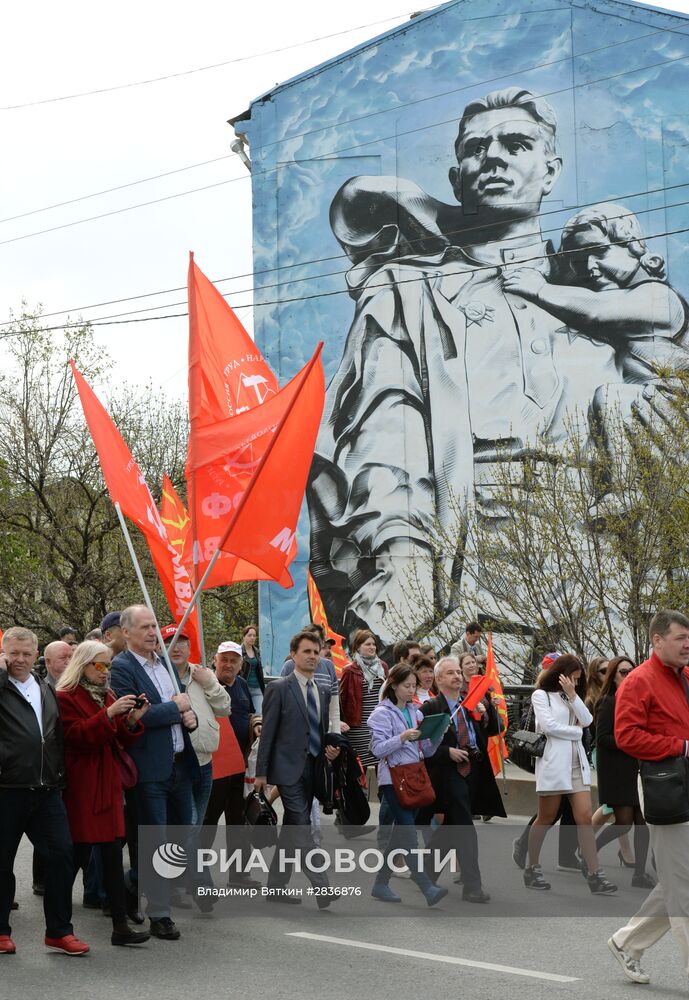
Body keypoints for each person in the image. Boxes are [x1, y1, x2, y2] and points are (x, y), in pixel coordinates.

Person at [308, 86, 640, 645]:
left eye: (516, 144)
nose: (494, 157)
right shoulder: (407, 291)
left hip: (600, 567)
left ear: (551, 170)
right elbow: (384, 440)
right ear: (457, 178)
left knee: (605, 718)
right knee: (484, 720)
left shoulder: (602, 297)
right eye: (476, 148)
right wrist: (404, 560)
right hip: (476, 558)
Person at [503, 203, 688, 383]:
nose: (590, 266)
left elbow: (600, 309)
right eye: (580, 261)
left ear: (633, 246)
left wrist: (540, 289)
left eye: (599, 251)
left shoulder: (660, 296)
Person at [608, 609, 689, 986]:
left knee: (677, 880)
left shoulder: (684, 675)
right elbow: (626, 736)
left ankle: (627, 942)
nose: (687, 644)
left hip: (684, 783)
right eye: (680, 638)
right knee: (682, 884)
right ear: (657, 640)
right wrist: (680, 747)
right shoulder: (639, 681)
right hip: (664, 789)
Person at [110, 605, 199, 941]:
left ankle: (130, 883)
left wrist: (189, 719)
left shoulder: (164, 665)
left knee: (178, 841)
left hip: (179, 766)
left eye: (153, 626)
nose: (152, 633)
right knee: (156, 844)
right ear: (127, 632)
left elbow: (183, 707)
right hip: (148, 770)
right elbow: (136, 717)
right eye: (145, 627)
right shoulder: (121, 668)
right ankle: (160, 915)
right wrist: (176, 709)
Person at [0, 626, 90, 956]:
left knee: (62, 856)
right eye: (13, 653)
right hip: (6, 788)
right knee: (1, 862)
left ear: (36, 656)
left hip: (47, 789)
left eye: (26, 654)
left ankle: (59, 931)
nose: (19, 660)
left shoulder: (44, 687)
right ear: (3, 654)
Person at [56, 641, 150, 947]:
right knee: (75, 856)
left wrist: (132, 719)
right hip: (83, 785)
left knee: (112, 855)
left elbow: (121, 736)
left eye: (108, 665)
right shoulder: (65, 696)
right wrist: (109, 714)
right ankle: (59, 927)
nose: (105, 671)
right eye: (99, 665)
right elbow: (75, 736)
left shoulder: (106, 694)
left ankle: (120, 926)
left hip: (108, 784)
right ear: (82, 665)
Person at [255, 631, 341, 906]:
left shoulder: (323, 690)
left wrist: (332, 746)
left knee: (292, 831)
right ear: (293, 655)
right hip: (287, 770)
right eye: (307, 651)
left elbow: (319, 729)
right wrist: (261, 773)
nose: (313, 657)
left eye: (317, 652)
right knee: (302, 827)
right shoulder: (279, 688)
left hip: (313, 769)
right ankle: (322, 887)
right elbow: (267, 734)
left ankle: (276, 887)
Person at [524, 654, 617, 894]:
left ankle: (595, 874)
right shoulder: (540, 695)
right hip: (554, 764)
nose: (575, 683)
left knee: (584, 818)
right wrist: (574, 733)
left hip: (577, 763)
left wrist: (574, 696)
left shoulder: (572, 696)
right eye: (572, 678)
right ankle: (532, 866)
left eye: (578, 679)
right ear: (561, 674)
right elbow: (548, 727)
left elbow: (587, 720)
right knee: (546, 818)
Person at [367, 663, 448, 906]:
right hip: (392, 779)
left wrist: (438, 734)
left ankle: (380, 884)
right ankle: (425, 885)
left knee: (400, 835)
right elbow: (377, 749)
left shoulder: (416, 712)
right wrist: (402, 737)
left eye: (414, 685)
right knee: (409, 834)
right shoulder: (381, 713)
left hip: (413, 776)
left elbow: (425, 749)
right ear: (393, 685)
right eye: (407, 685)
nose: (412, 690)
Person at [419, 656, 491, 903]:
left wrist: (488, 712)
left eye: (459, 672)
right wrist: (446, 752)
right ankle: (472, 885)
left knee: (450, 828)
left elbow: (495, 730)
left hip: (472, 771)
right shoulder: (430, 707)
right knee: (465, 828)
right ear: (438, 680)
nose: (457, 676)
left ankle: (425, 874)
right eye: (450, 673)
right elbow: (421, 745)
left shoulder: (471, 703)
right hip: (447, 774)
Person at [593, 656, 654, 889]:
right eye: (623, 672)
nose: (628, 676)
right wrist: (630, 741)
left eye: (631, 671)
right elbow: (603, 738)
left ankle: (639, 874)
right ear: (613, 675)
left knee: (642, 823)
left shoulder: (635, 701)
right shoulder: (608, 701)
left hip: (635, 769)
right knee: (624, 823)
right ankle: (590, 852)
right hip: (617, 772)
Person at [161, 624, 231, 826]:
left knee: (197, 823)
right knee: (187, 823)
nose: (176, 648)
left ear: (189, 647)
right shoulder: (159, 675)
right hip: (176, 763)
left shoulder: (202, 674)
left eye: (181, 643)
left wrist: (209, 683)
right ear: (159, 647)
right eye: (170, 643)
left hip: (204, 761)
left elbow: (225, 708)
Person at [203, 641, 258, 889]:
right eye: (223, 659)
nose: (228, 664)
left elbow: (249, 713)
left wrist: (255, 723)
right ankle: (199, 874)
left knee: (237, 820)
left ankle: (239, 874)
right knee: (209, 820)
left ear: (241, 664)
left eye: (233, 660)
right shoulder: (206, 686)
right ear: (215, 660)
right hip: (214, 764)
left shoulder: (243, 685)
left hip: (239, 763)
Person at [339, 629, 388, 770]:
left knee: (380, 764)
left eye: (373, 644)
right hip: (358, 726)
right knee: (364, 767)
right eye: (367, 644)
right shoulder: (349, 670)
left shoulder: (383, 667)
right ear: (357, 647)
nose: (372, 647)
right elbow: (342, 700)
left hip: (379, 724)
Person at [240, 624, 265, 714]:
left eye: (254, 635)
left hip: (257, 688)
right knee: (245, 714)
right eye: (249, 635)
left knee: (260, 714)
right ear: (244, 636)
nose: (252, 638)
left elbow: (260, 671)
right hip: (243, 689)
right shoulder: (238, 651)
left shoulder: (257, 651)